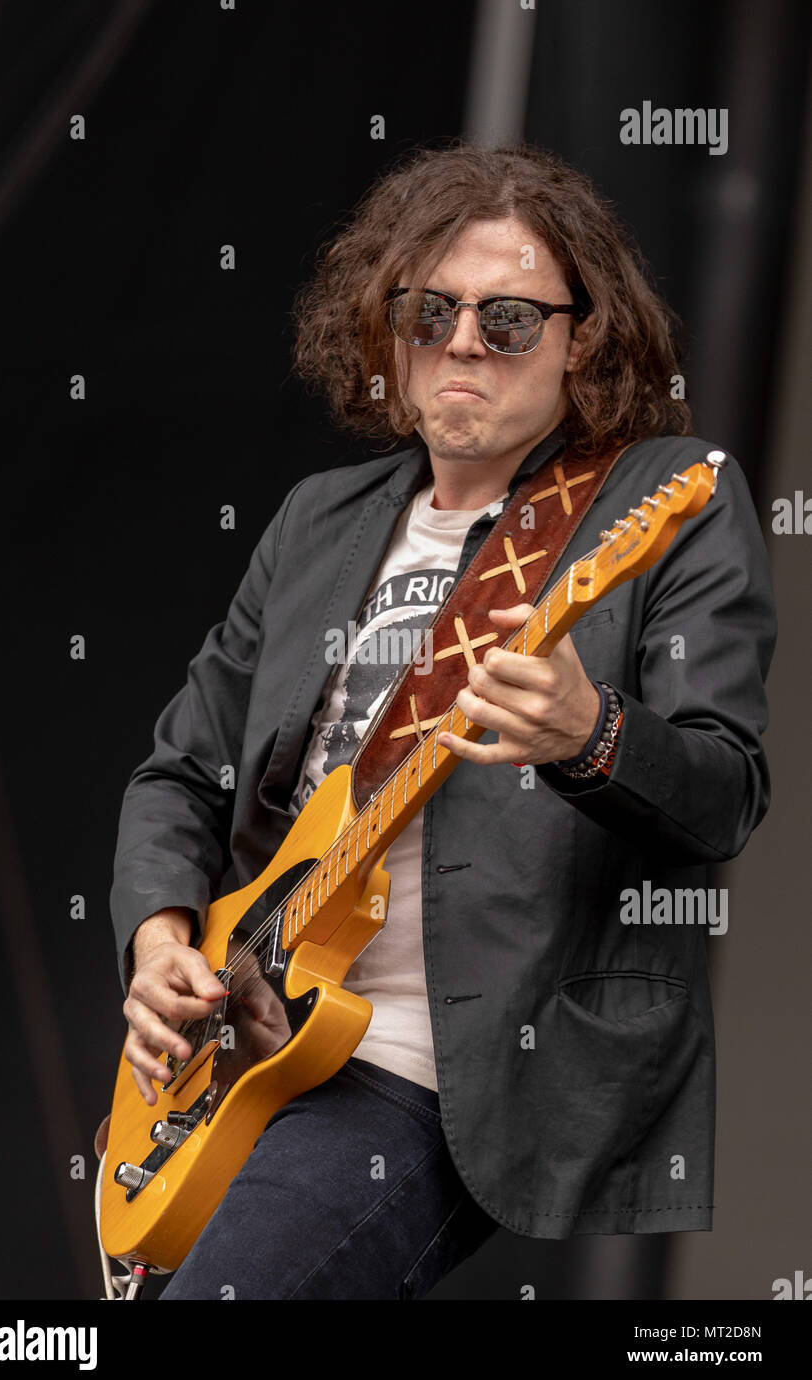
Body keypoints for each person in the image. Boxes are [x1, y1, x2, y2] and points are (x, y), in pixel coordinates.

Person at [109, 142, 776, 1300]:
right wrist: (161, 937)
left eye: (510, 318)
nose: (462, 341)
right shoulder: (318, 517)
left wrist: (589, 730)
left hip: (432, 1064)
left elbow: (723, 794)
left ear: (585, 339)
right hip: (248, 1037)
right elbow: (181, 772)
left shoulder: (657, 502)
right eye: (430, 312)